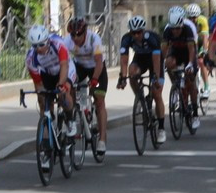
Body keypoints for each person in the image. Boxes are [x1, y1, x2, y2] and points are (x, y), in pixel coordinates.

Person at [26, 24, 79, 165]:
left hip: (65, 68)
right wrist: (43, 97)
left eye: (41, 44)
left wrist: (62, 85)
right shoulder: (31, 58)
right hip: (48, 73)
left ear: (47, 41)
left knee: (63, 94)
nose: (38, 49)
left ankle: (70, 120)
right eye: (35, 45)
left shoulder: (58, 44)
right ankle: (47, 147)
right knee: (43, 103)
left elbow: (64, 66)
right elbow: (38, 83)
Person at [117, 15, 167, 144]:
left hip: (155, 61)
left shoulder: (151, 37)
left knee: (156, 94)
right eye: (133, 32)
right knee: (132, 72)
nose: (136, 35)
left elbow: (157, 59)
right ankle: (139, 97)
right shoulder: (127, 39)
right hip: (141, 60)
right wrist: (122, 77)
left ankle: (161, 129)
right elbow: (124, 60)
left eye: (139, 32)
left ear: (143, 30)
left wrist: (155, 76)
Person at [64, 16, 108, 156]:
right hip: (80, 67)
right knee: (69, 86)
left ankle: (101, 140)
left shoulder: (94, 39)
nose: (75, 38)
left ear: (85, 32)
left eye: (78, 34)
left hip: (97, 68)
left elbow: (99, 62)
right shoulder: (67, 41)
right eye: (73, 35)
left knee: (99, 100)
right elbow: (63, 62)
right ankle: (72, 115)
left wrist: (94, 79)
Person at [162, 6, 201, 131]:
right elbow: (164, 49)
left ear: (182, 24)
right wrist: (160, 64)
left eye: (178, 29)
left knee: (191, 81)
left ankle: (195, 114)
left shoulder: (189, 29)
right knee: (168, 63)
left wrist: (190, 64)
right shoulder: (167, 30)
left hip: (188, 53)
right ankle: (176, 86)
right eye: (173, 29)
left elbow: (191, 50)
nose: (175, 32)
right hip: (176, 52)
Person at [186, 2, 211, 99]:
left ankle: (206, 87)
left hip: (200, 41)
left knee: (201, 61)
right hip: (191, 42)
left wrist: (204, 51)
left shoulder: (202, 20)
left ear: (198, 16)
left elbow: (205, 37)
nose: (192, 19)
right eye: (190, 17)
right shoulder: (185, 22)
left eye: (194, 17)